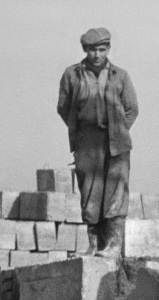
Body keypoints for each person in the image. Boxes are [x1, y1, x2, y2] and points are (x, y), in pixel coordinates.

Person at [57, 27, 139, 256]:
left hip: (116, 141)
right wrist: (81, 130)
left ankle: (113, 245)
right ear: (85, 50)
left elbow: (132, 109)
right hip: (87, 141)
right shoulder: (72, 74)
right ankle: (93, 245)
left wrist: (119, 129)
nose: (98, 55)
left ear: (108, 49)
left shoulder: (120, 75)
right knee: (90, 193)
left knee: (116, 191)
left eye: (102, 49)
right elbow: (63, 108)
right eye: (93, 50)